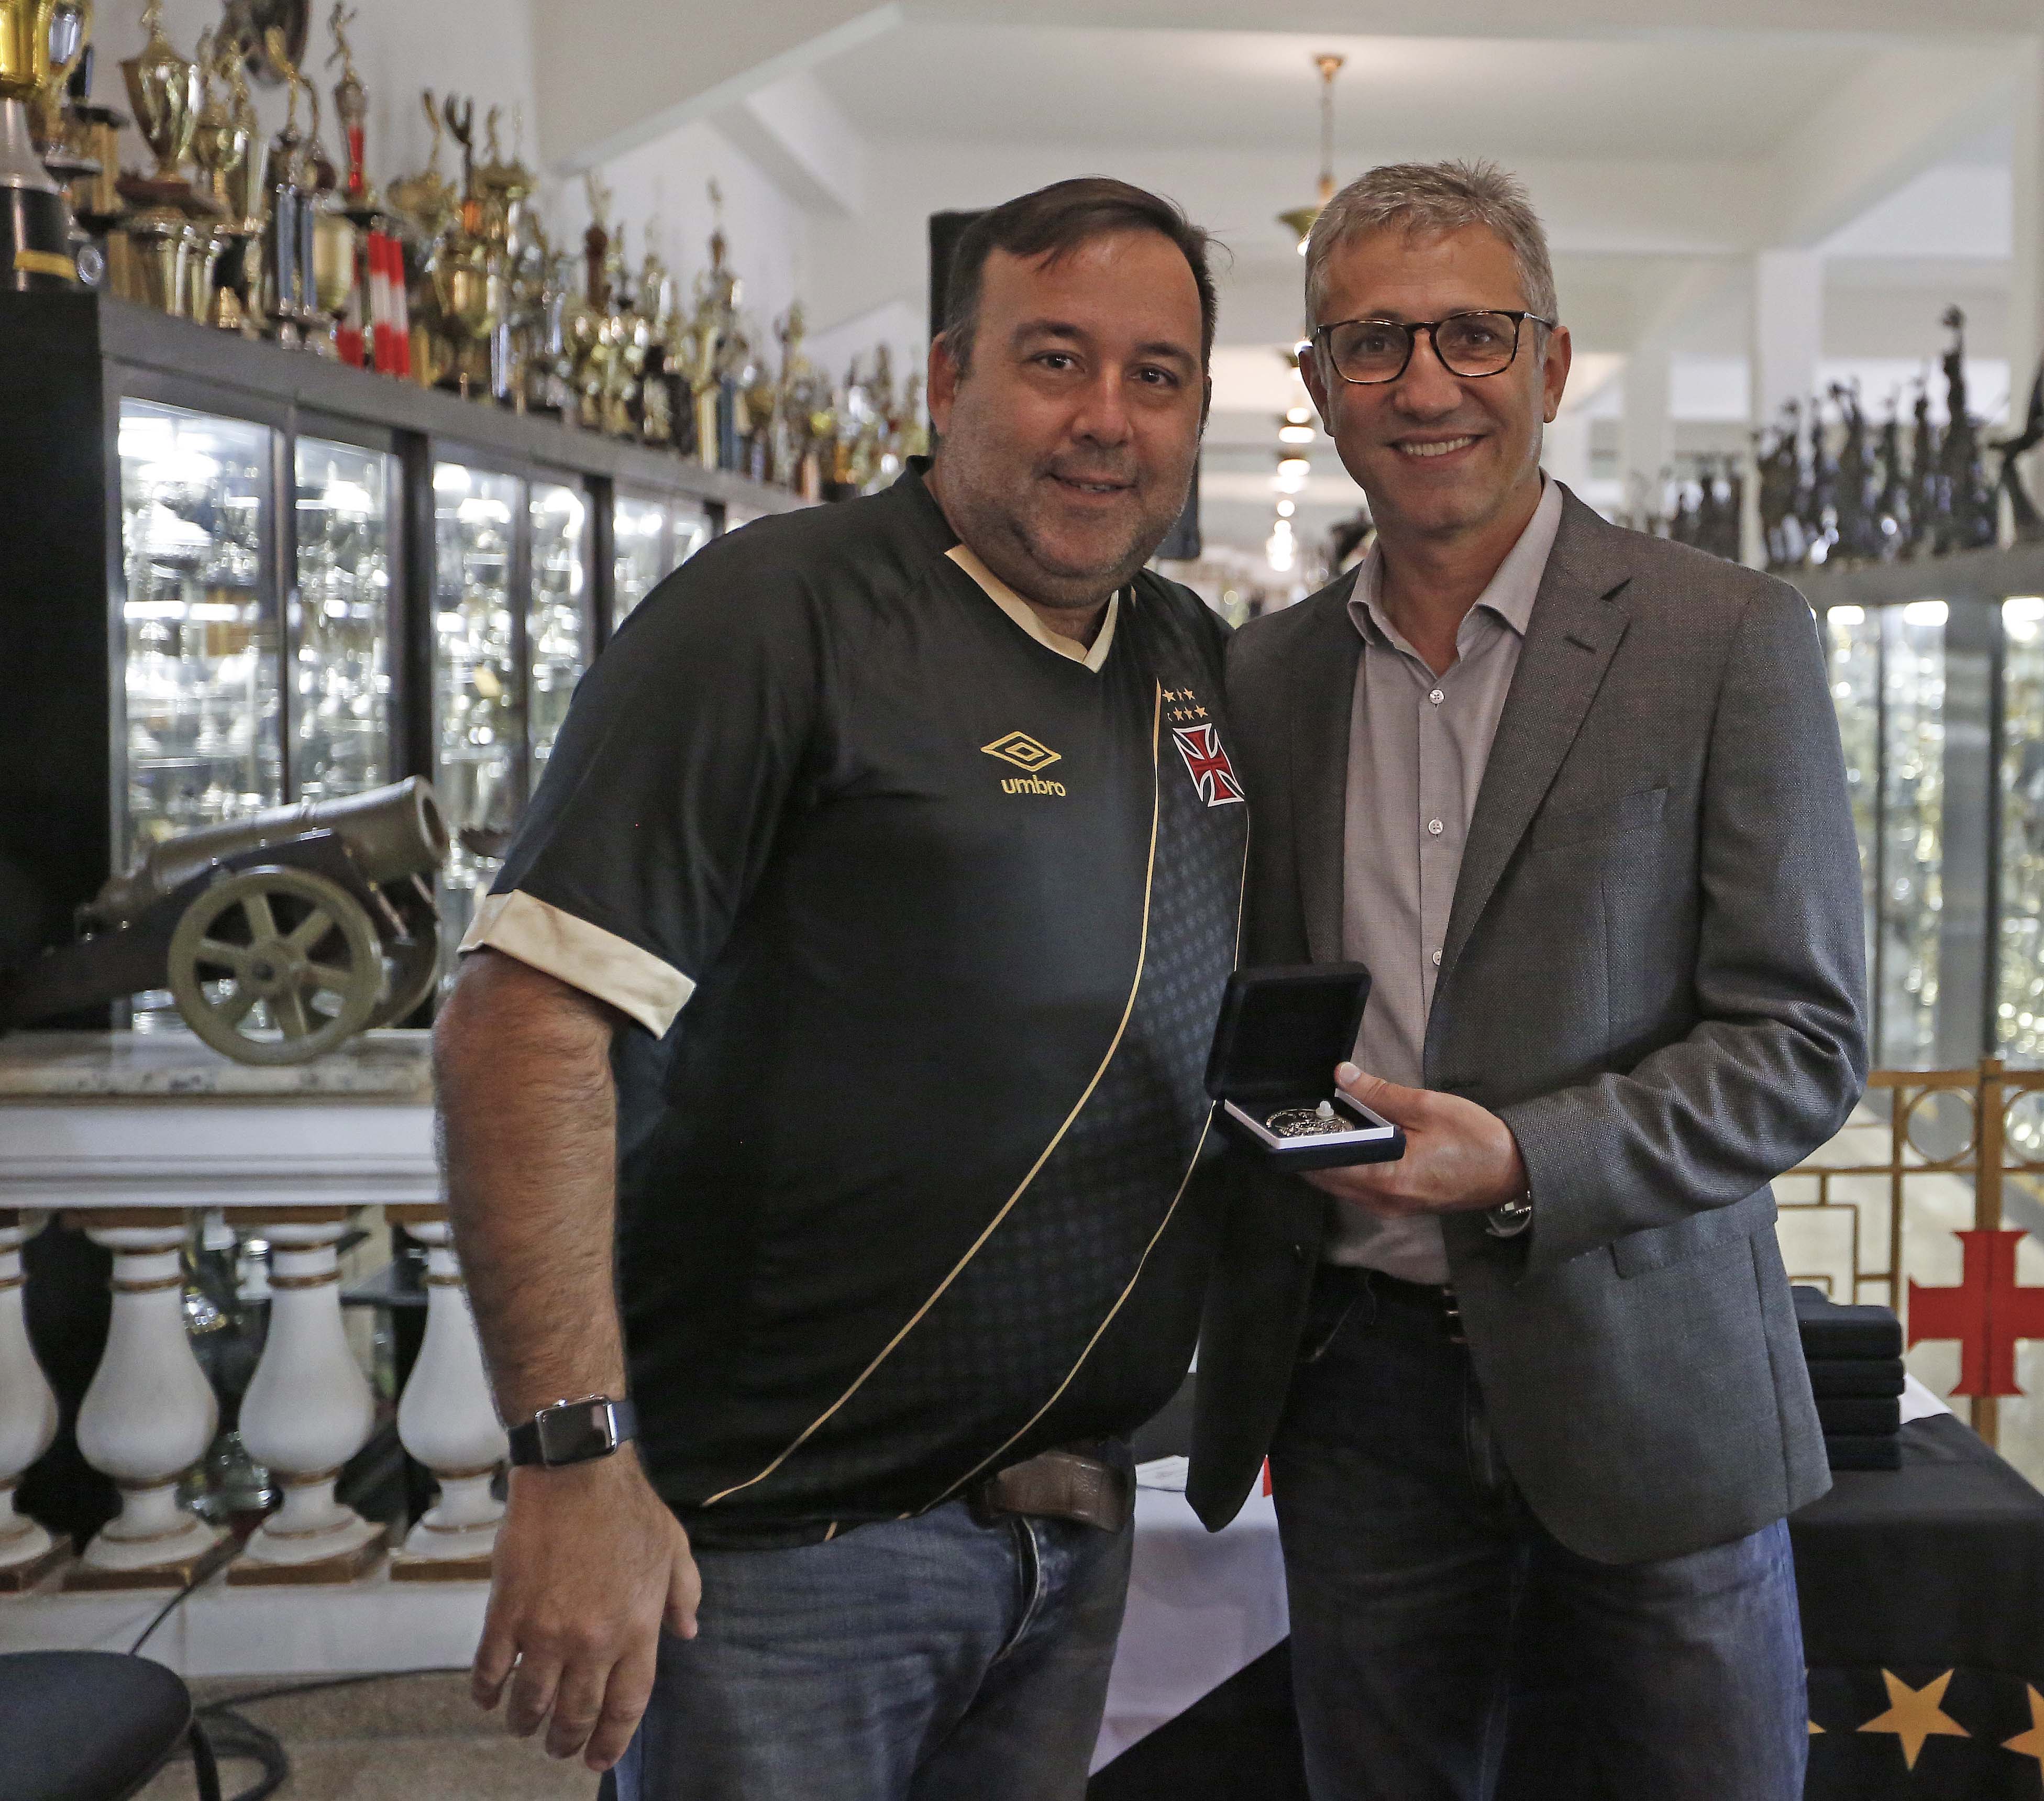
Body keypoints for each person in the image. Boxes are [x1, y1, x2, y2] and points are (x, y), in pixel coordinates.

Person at [434, 176, 1248, 1801]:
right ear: (948, 379)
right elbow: (523, 1022)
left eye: (1156, 376)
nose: (1107, 419)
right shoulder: (777, 612)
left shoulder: (1187, 656)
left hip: (1076, 1527)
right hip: (787, 1561)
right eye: (1055, 359)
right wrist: (574, 1461)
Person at [1188, 160, 1870, 1801]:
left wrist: (1523, 1159)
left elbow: (1802, 1040)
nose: (1424, 385)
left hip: (1650, 1382)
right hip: (1359, 1396)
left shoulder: (1725, 637)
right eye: (1372, 343)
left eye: (1473, 335)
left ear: (1550, 365)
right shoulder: (1264, 678)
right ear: (1319, 388)